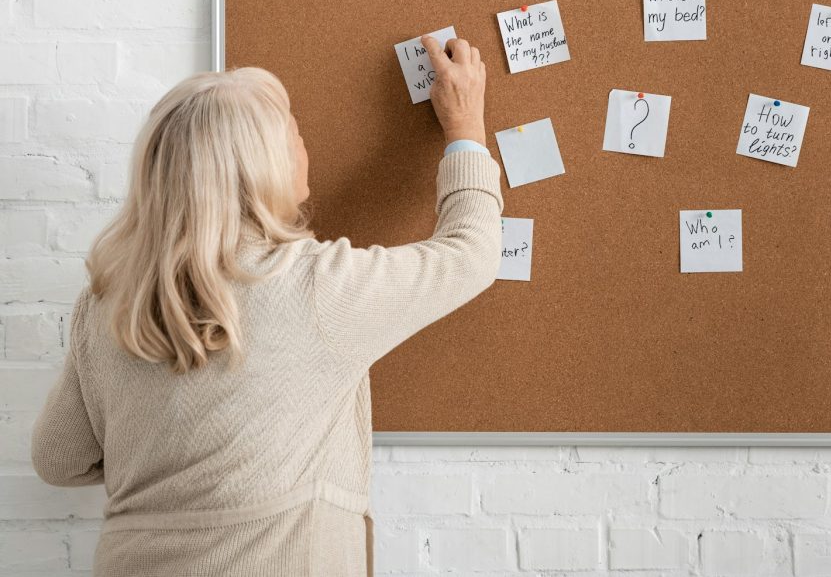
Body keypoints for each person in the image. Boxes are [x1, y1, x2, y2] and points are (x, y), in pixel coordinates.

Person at [30, 36, 500, 576]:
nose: (305, 147)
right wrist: (465, 128)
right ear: (265, 165)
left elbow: (58, 459)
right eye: (295, 134)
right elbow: (471, 253)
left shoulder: (107, 302)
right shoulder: (313, 285)